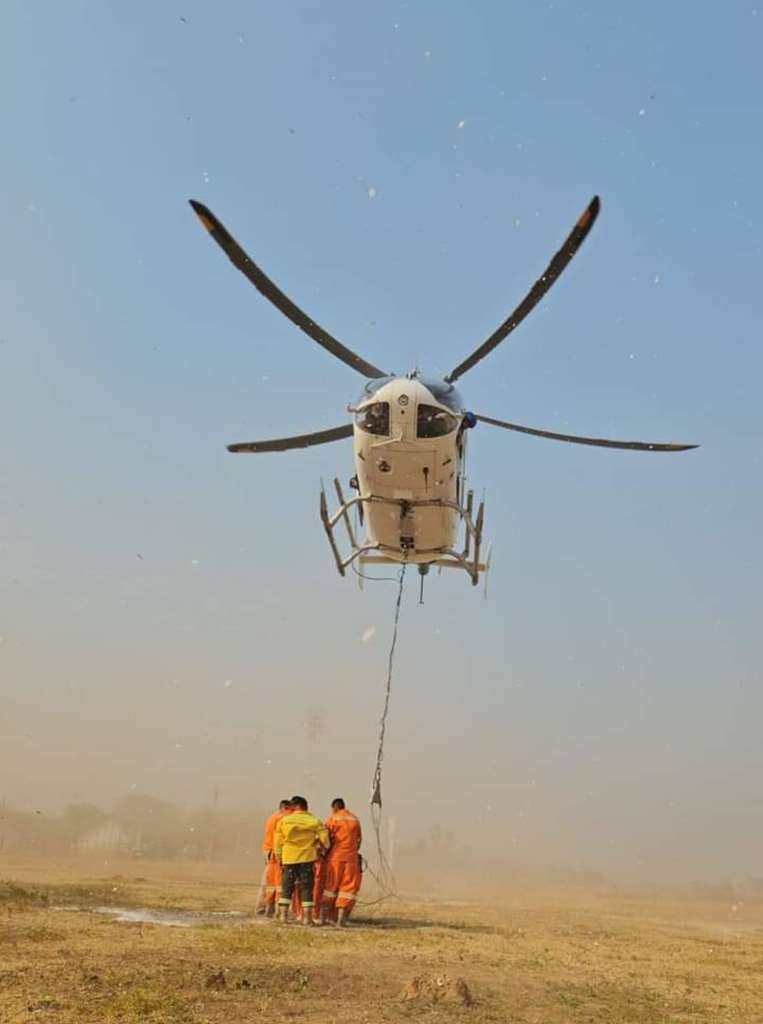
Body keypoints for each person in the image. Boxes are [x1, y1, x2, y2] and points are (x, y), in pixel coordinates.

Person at [274, 795, 329, 925]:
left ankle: (283, 917)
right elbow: (326, 842)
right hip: (307, 858)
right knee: (306, 888)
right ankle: (307, 919)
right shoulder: (314, 821)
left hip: (288, 858)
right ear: (306, 807)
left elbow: (277, 842)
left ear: (293, 807)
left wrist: (279, 856)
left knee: (287, 886)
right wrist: (319, 845)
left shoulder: (284, 821)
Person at [321, 798, 362, 926]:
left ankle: (324, 919)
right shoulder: (355, 819)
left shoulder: (333, 819)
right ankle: (341, 921)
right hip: (352, 860)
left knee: (329, 888)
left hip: (335, 859)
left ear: (335, 808)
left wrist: (322, 853)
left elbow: (325, 841)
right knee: (347, 890)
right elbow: (359, 841)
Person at [257, 799, 292, 916]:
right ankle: (274, 910)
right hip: (278, 853)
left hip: (268, 851)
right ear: (286, 808)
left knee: (268, 882)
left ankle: (263, 908)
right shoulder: (283, 818)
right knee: (278, 882)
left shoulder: (272, 817)